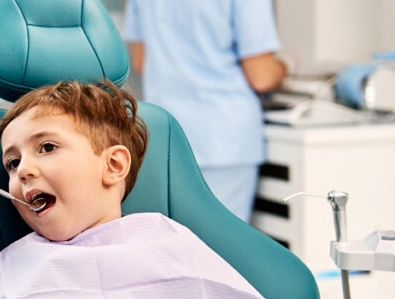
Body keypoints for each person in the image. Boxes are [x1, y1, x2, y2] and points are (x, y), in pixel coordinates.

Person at [0, 81, 261, 298]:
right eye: (13, 163)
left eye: (47, 147)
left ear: (114, 166)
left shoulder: (172, 244)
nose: (24, 171)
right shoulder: (14, 265)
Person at [122, 0, 287, 222]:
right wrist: (287, 66)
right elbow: (261, 76)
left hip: (166, 138)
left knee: (175, 244)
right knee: (220, 247)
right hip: (223, 137)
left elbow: (142, 61)